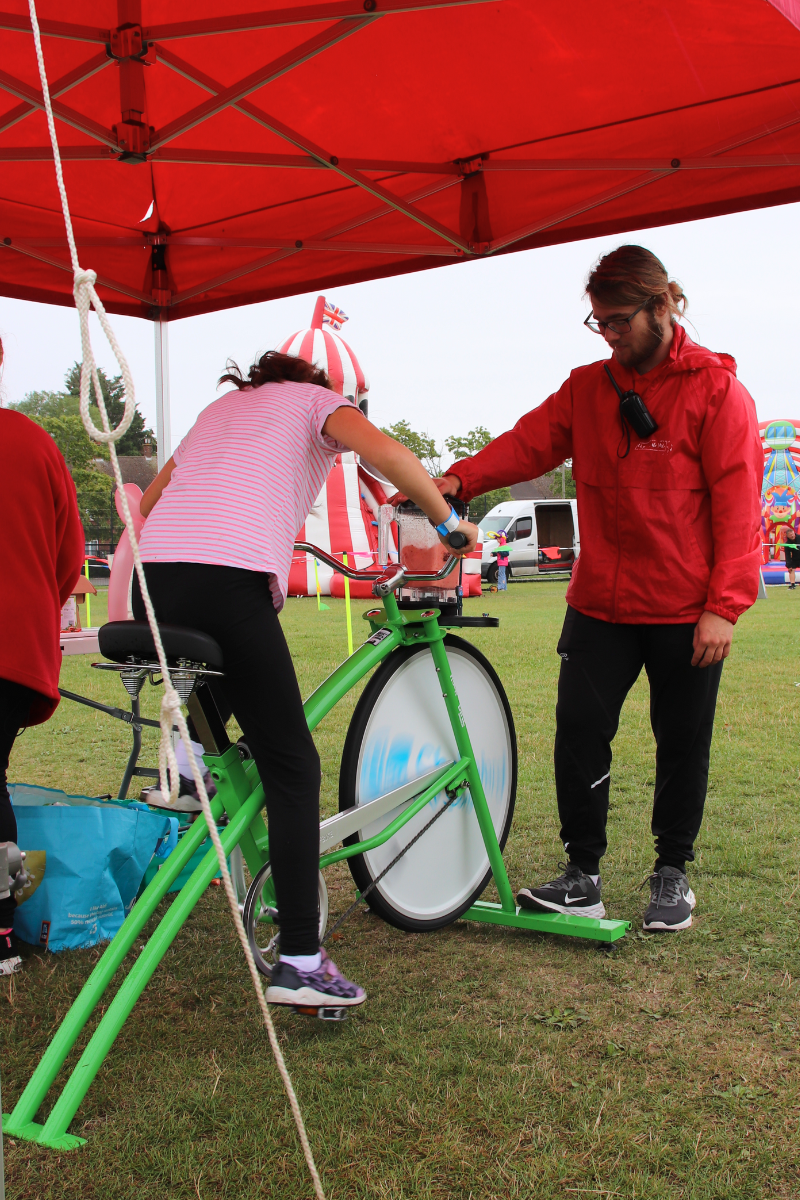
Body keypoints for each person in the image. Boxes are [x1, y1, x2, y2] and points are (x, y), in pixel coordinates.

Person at [432, 246, 762, 932]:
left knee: (682, 743)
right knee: (579, 734)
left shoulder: (718, 392)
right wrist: (462, 478)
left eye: (617, 321)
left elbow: (739, 508)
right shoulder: (587, 388)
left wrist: (723, 608)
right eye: (598, 322)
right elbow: (528, 444)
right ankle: (581, 874)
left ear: (662, 306)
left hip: (685, 612)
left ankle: (672, 874)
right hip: (598, 607)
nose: (607, 334)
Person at [137, 350, 478, 1008]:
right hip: (226, 581)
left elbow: (153, 500)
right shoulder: (318, 403)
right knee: (293, 766)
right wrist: (447, 522)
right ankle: (299, 955)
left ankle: (187, 763)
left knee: (230, 730)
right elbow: (391, 456)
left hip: (156, 580)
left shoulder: (221, 410)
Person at [0, 338, 85, 974]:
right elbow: (69, 558)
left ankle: (2, 929)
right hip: (17, 648)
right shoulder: (35, 442)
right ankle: (5, 929)